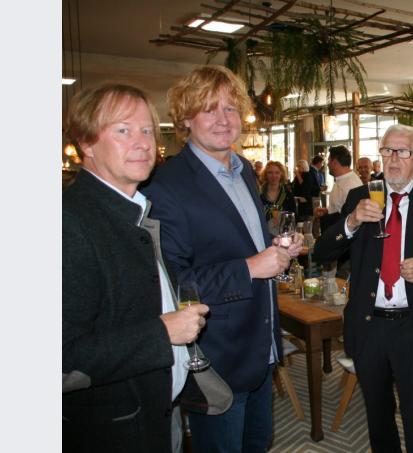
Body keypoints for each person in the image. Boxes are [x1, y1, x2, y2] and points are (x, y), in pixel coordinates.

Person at [143, 65, 303, 453]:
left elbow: (242, 238)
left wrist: (276, 246)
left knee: (258, 443)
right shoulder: (167, 185)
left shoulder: (244, 169)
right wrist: (251, 266)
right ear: (185, 118)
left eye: (231, 109)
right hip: (216, 354)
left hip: (261, 342)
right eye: (209, 109)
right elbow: (174, 283)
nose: (223, 120)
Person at [63, 83, 208, 453]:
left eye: (147, 130)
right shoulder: (68, 222)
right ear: (87, 143)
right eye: (123, 130)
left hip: (160, 410)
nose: (143, 142)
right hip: (113, 430)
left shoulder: (135, 211)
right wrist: (161, 332)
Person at [312, 124, 413, 453]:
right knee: (378, 417)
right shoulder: (359, 196)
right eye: (387, 150)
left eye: (402, 152)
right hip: (369, 326)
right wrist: (351, 223)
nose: (393, 159)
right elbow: (322, 252)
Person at [315, 145, 363, 232]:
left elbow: (353, 219)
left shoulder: (350, 184)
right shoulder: (341, 179)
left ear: (335, 162)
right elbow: (340, 208)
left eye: (329, 161)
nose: (328, 164)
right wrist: (326, 211)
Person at [260, 161, 297, 230]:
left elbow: (293, 216)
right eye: (270, 172)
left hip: (284, 233)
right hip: (262, 232)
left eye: (277, 172)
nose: (273, 176)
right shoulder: (258, 193)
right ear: (265, 174)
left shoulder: (287, 194)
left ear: (281, 175)